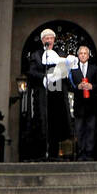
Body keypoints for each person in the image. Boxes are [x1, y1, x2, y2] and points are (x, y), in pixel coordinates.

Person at [26, 28, 71, 160]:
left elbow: (66, 69)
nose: (48, 40)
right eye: (46, 38)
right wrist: (43, 77)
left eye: (51, 38)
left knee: (56, 121)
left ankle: (55, 153)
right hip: (42, 92)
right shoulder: (36, 55)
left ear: (54, 40)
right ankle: (41, 153)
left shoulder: (60, 53)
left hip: (56, 92)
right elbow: (31, 72)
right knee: (42, 121)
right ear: (42, 41)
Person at [68, 45, 97, 161]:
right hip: (79, 105)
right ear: (78, 56)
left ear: (88, 55)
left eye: (85, 53)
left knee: (91, 130)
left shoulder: (94, 68)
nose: (83, 55)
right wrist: (78, 86)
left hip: (91, 105)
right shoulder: (73, 70)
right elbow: (69, 86)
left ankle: (89, 153)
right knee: (79, 130)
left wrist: (91, 86)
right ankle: (81, 153)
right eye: (81, 53)